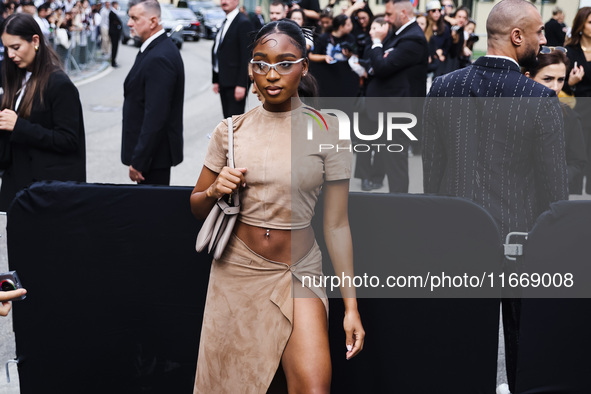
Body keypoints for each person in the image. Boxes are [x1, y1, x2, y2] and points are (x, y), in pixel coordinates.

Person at [191, 19, 364, 393]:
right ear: (251, 70)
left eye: (285, 63)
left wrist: (351, 306)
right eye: (261, 63)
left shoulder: (329, 130)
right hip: (237, 273)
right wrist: (213, 191)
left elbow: (336, 225)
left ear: (304, 66)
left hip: (299, 271)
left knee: (314, 387)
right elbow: (196, 207)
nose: (272, 74)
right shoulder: (230, 131)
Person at [422, 1, 569, 391]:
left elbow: (431, 179)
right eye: (539, 32)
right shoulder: (539, 100)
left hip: (455, 239)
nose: (544, 39)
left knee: (457, 347)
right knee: (524, 349)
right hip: (519, 242)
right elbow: (556, 196)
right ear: (516, 36)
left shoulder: (442, 87)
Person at [0, 13, 86, 211]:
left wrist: (19, 126)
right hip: (17, 186)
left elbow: (69, 140)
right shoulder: (15, 77)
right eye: (6, 48)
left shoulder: (59, 84)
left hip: (46, 191)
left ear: (35, 41)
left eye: (16, 47)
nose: (11, 55)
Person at [361, 0, 428, 193]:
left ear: (403, 13)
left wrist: (376, 43)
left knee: (396, 165)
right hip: (386, 107)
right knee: (385, 155)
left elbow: (382, 67)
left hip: (398, 111)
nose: (386, 19)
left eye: (389, 15)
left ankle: (400, 209)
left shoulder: (413, 39)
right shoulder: (399, 34)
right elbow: (375, 63)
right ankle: (389, 198)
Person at [122, 0, 184, 185]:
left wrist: (139, 160)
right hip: (152, 156)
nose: (129, 23)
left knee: (151, 211)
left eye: (134, 18)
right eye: (129, 17)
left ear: (153, 21)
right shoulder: (153, 49)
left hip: (153, 158)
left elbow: (155, 116)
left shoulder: (160, 57)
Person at [524, 48, 587, 193]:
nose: (555, 87)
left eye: (561, 80)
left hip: (552, 197)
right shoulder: (509, 112)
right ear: (528, 77)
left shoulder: (569, 116)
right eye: (548, 79)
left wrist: (558, 177)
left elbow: (578, 162)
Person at [564, 7, 591, 195]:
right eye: (590, 22)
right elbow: (558, 84)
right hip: (577, 109)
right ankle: (572, 199)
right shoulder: (569, 52)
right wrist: (570, 83)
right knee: (576, 154)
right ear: (581, 25)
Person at [212, 0, 254, 118]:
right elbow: (219, 50)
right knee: (227, 121)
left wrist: (242, 85)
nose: (224, 1)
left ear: (237, 1)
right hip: (224, 82)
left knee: (235, 123)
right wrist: (216, 79)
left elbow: (247, 57)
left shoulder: (243, 23)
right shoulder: (225, 22)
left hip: (236, 84)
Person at [108, 0, 122, 67]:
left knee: (115, 47)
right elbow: (116, 22)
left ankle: (114, 60)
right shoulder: (112, 13)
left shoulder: (115, 13)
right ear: (114, 5)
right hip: (114, 33)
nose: (117, 6)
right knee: (114, 47)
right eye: (117, 5)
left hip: (116, 33)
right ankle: (113, 62)